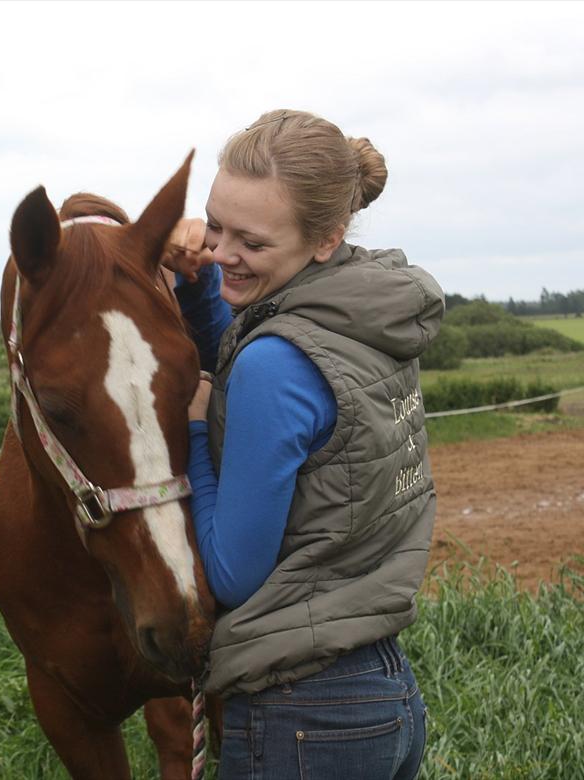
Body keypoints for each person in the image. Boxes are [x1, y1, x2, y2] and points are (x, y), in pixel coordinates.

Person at [164, 109, 444, 779]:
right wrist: (201, 279)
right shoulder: (363, 319)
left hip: (303, 716)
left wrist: (197, 431)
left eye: (251, 244)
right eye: (215, 225)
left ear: (325, 239)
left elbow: (233, 572)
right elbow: (248, 354)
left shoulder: (277, 362)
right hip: (384, 693)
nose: (223, 251)